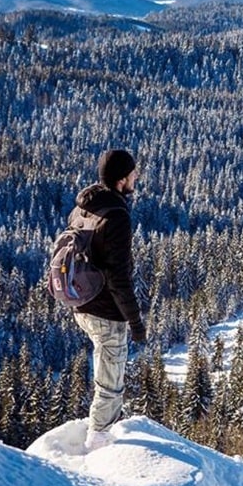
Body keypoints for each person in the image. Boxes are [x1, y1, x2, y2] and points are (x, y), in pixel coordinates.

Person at [70, 149, 147, 451]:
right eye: (133, 174)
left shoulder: (84, 208)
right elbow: (119, 277)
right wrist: (135, 321)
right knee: (110, 381)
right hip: (105, 310)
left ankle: (102, 429)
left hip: (82, 302)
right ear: (121, 180)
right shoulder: (116, 217)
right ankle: (100, 442)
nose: (136, 177)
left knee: (106, 371)